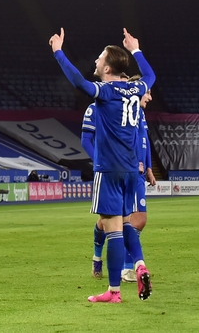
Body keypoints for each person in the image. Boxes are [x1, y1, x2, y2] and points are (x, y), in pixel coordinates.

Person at [50, 27, 155, 303]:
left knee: (113, 228)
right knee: (127, 224)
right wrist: (136, 49)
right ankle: (140, 265)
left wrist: (59, 52)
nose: (95, 61)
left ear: (107, 68)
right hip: (133, 170)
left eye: (99, 58)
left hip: (109, 169)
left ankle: (114, 292)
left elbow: (78, 82)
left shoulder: (105, 92)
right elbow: (151, 76)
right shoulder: (136, 88)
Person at [84, 79, 157, 284]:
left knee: (133, 220)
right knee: (111, 221)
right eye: (148, 92)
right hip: (114, 170)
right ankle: (103, 259)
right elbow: (86, 139)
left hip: (133, 172)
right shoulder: (98, 106)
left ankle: (128, 269)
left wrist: (147, 166)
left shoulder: (137, 112)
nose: (149, 97)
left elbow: (142, 141)